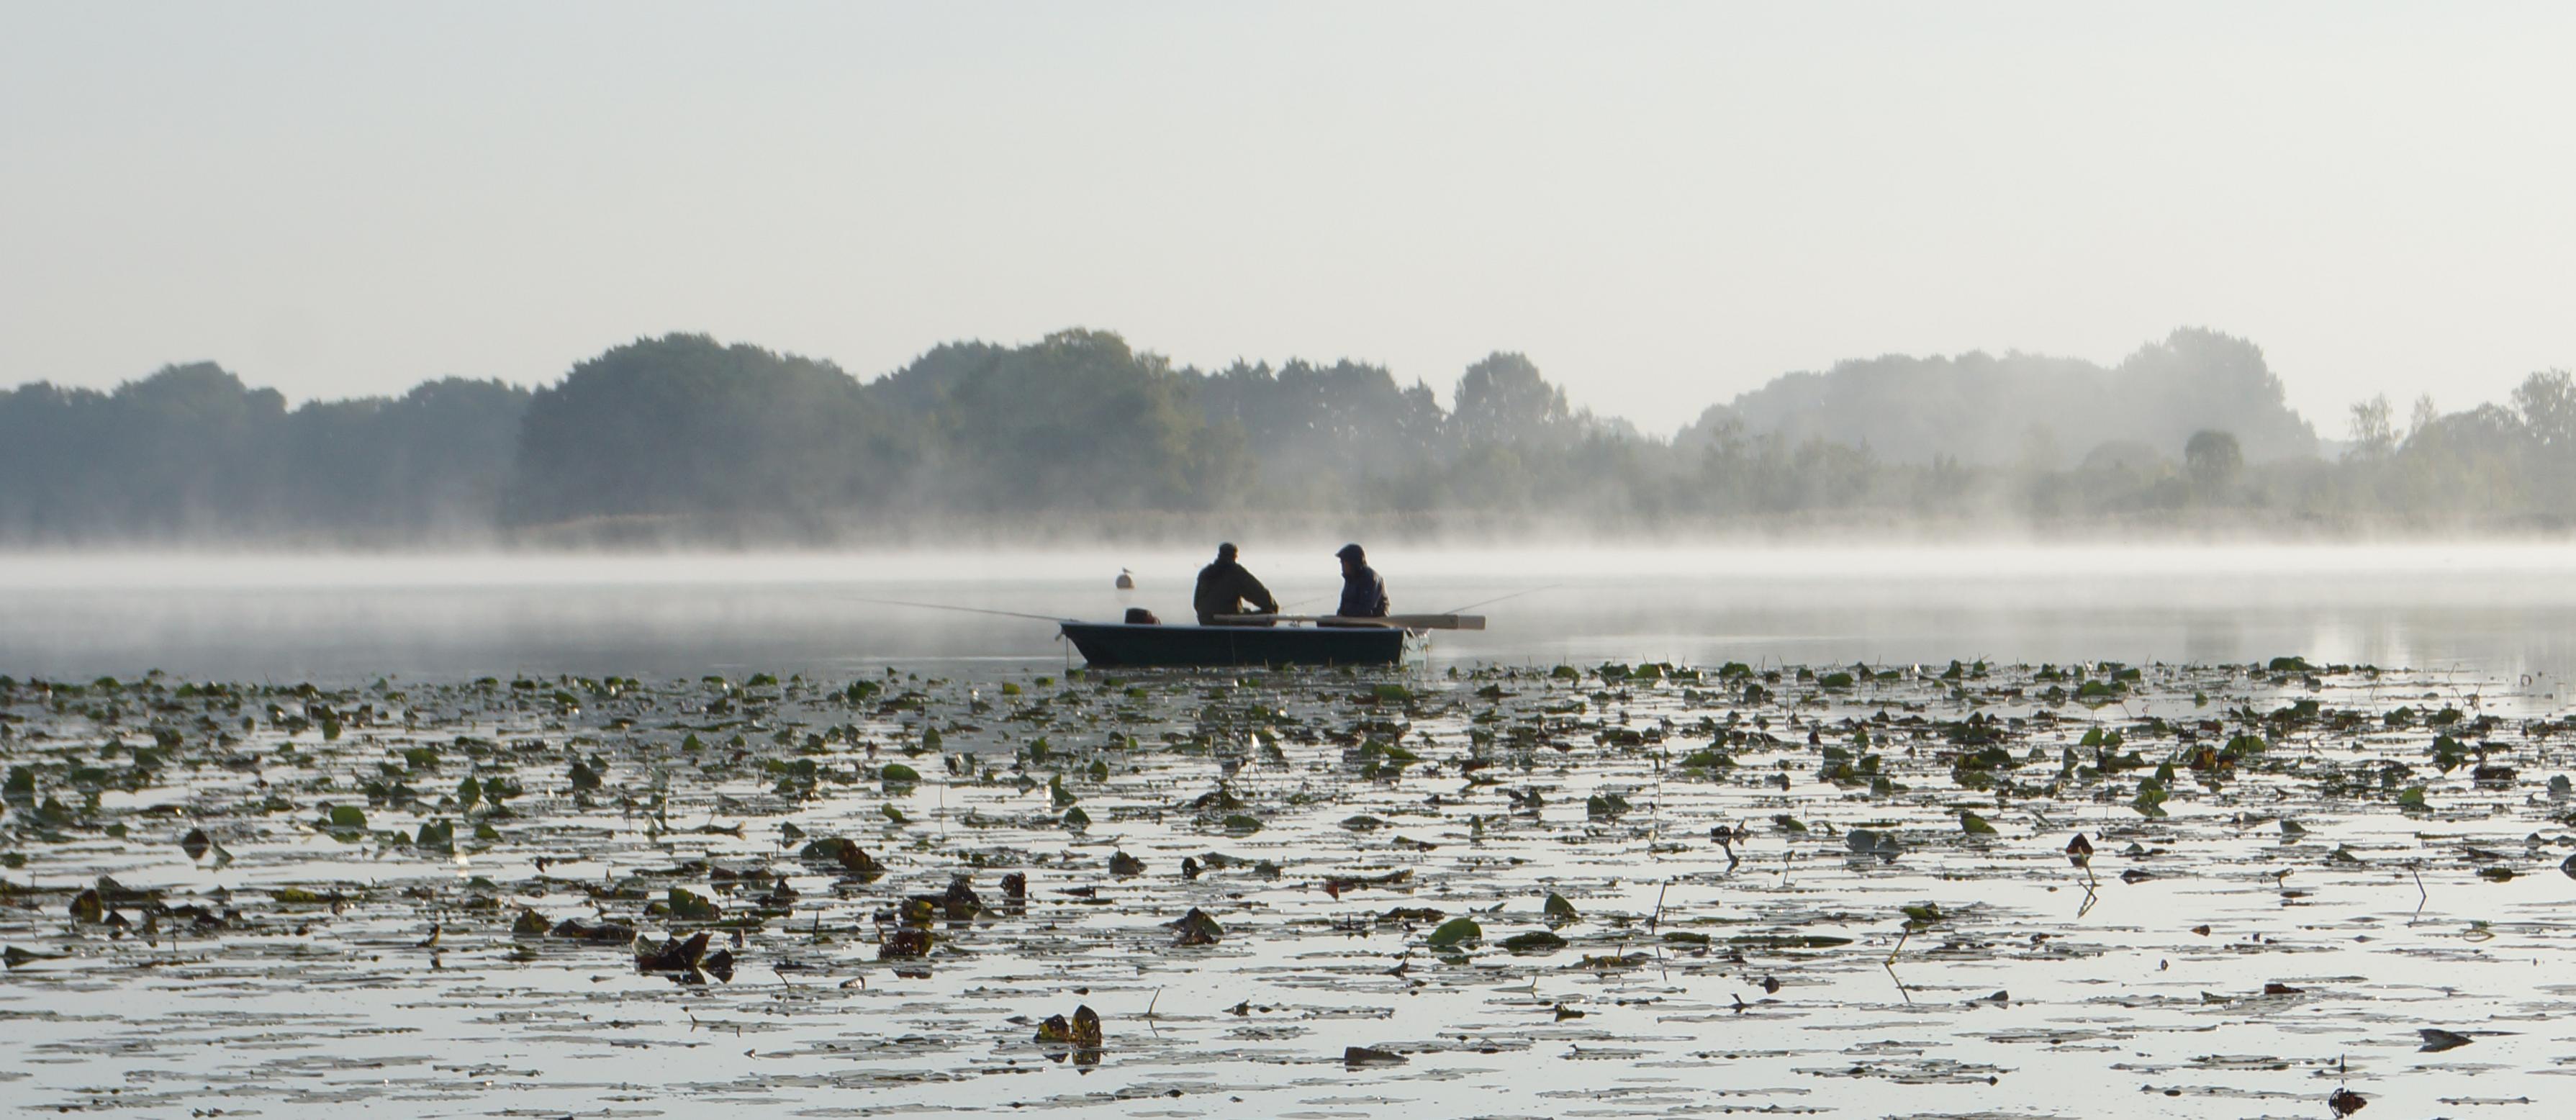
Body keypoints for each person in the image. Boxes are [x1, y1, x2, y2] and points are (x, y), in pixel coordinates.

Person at [1193, 542, 1278, 626]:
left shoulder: (1205, 573)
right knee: (1270, 614)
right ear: (1234, 556)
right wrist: (1273, 605)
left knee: (1245, 611)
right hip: (1228, 622)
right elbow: (1258, 593)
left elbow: (1196, 604)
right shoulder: (1236, 572)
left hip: (1206, 621)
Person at [1332, 543, 1388, 620]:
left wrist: (1346, 614)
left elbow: (1365, 609)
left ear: (1353, 562)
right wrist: (1340, 614)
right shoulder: (1350, 579)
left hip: (1373, 623)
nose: (1341, 564)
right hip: (1351, 622)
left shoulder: (1370, 578)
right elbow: (1343, 605)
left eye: (1344, 562)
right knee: (1324, 623)